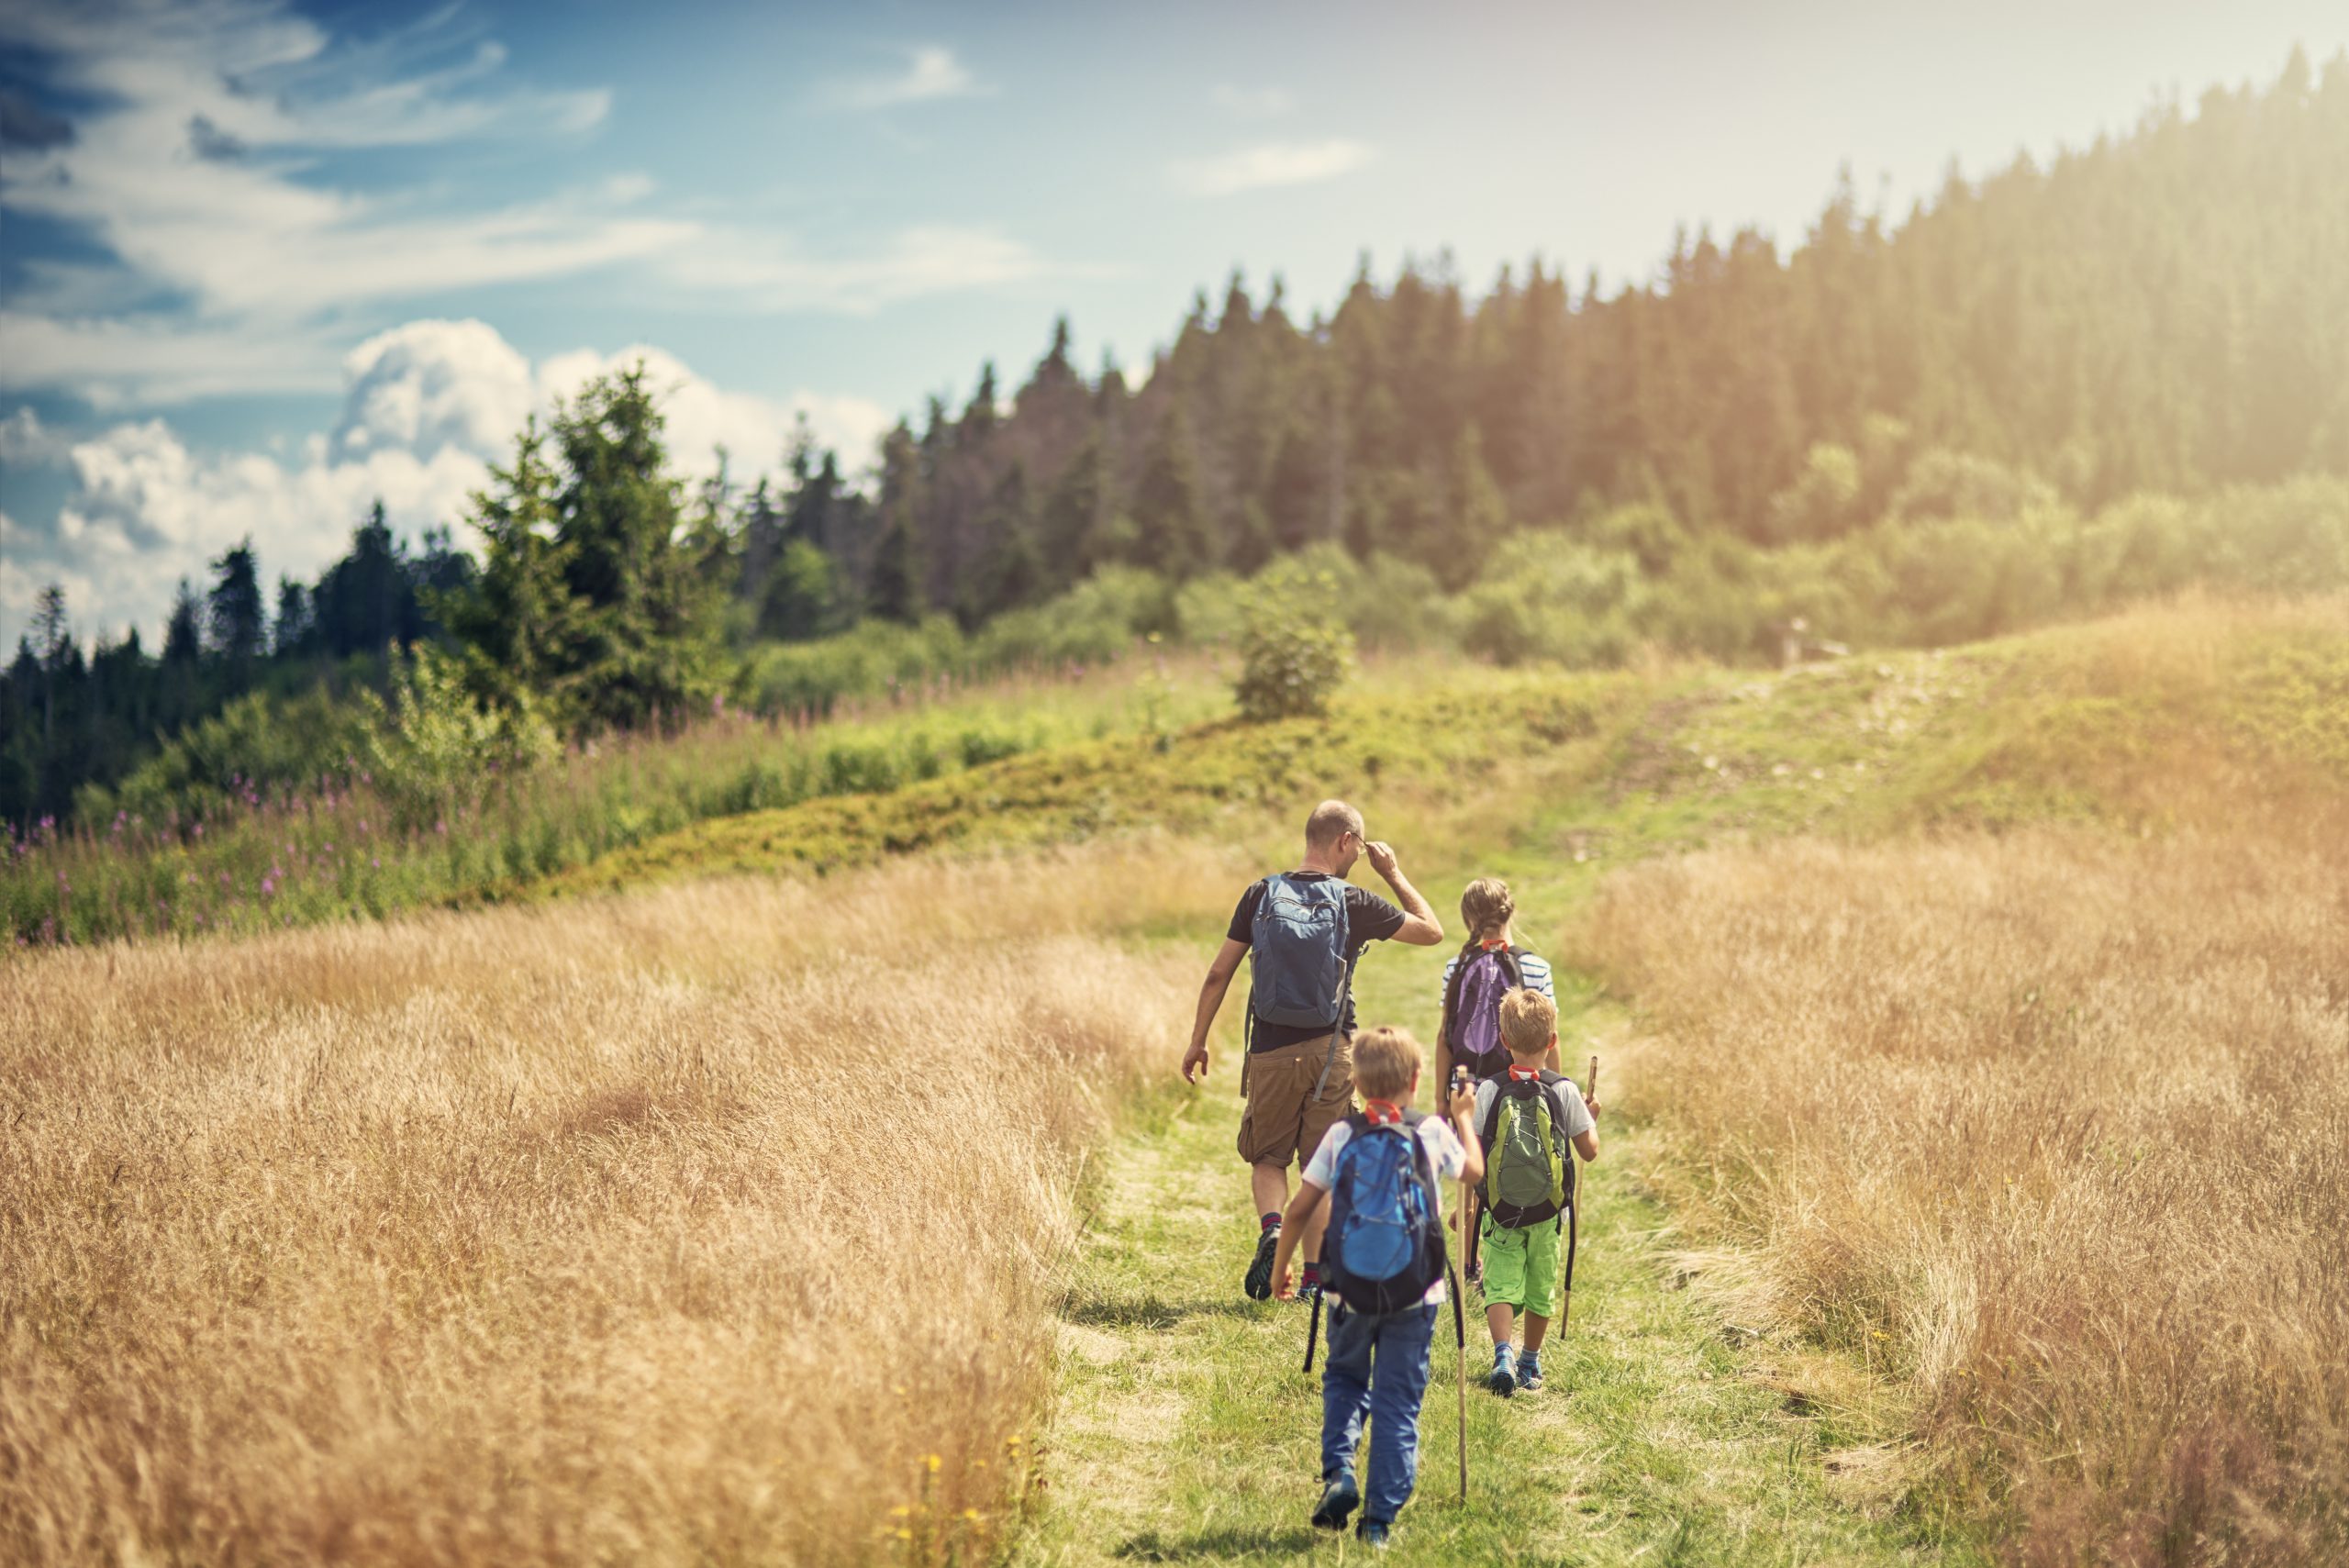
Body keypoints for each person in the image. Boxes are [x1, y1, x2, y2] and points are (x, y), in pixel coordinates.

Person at [1181, 799, 1443, 1303]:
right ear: (1346, 841)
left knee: (1267, 1155)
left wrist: (1197, 1040)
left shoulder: (1260, 894)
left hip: (1270, 1051)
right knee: (1320, 1164)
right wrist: (1393, 873)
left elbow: (1220, 973)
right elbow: (1430, 930)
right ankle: (1312, 1279)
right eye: (1359, 848)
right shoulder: (1351, 899)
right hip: (1332, 1052)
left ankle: (1273, 1227)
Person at [1269, 1025, 1482, 1549]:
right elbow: (1473, 1173)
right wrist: (1463, 1119)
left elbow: (1299, 1209)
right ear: (1414, 1079)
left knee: (1344, 1378)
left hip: (1347, 1290)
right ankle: (1378, 1521)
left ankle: (1340, 1470)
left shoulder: (1341, 1136)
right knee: (1397, 1403)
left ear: (1357, 1085)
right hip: (1417, 1292)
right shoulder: (1431, 1131)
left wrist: (1281, 1268)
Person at [1473, 988, 1599, 1396]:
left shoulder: (1489, 1091)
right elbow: (1589, 1152)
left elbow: (1477, 1154)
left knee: (1500, 1283)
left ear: (1503, 1040)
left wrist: (1471, 1207)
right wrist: (1590, 1117)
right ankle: (1530, 1361)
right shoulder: (1564, 1091)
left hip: (1500, 1210)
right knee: (1540, 1286)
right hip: (1548, 1214)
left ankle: (1503, 1352)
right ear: (1553, 1041)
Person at [1433, 877, 1555, 1284]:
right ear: (1511, 912)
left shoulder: (1457, 967)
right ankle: (1506, 1256)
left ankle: (1468, 1266)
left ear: (1468, 918)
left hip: (1466, 1086)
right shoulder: (1535, 967)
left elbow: (1444, 1037)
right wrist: (1554, 1085)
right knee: (1507, 1170)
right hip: (1513, 1087)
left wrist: (1440, 1099)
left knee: (1470, 1176)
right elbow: (1550, 1034)